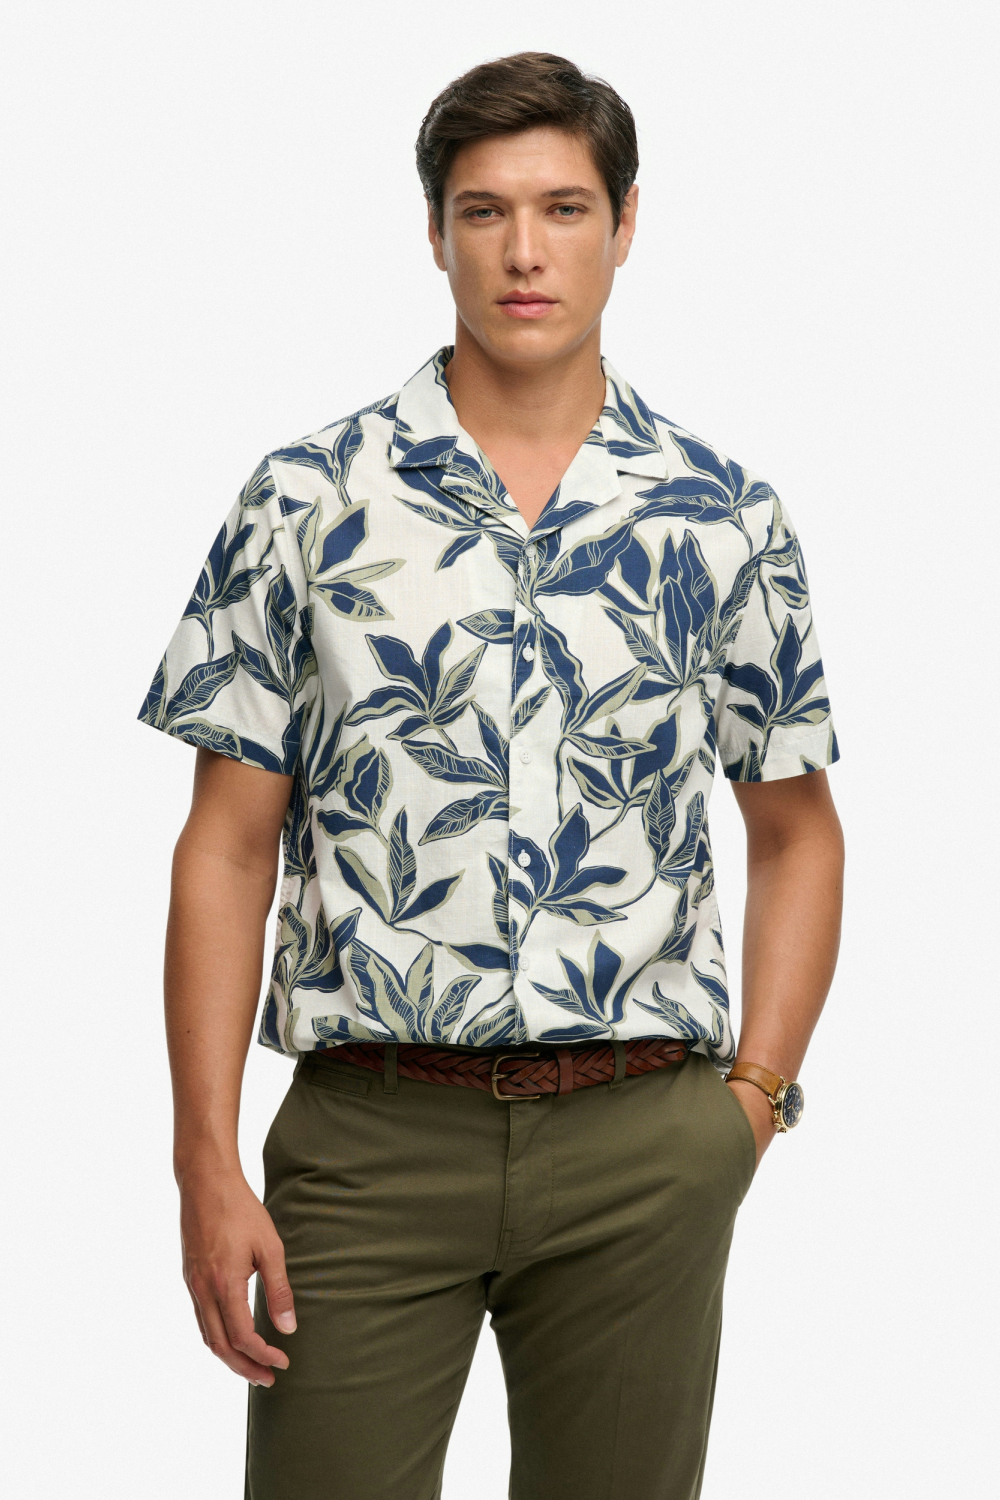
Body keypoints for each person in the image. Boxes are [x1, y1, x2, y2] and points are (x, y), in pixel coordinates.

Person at [141, 51, 844, 1500]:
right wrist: (205, 1160)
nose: (526, 252)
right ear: (434, 231)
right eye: (485, 211)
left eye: (564, 208)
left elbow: (796, 829)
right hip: (371, 1136)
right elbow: (226, 846)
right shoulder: (306, 499)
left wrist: (751, 1105)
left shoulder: (723, 515)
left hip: (644, 1144)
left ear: (626, 223)